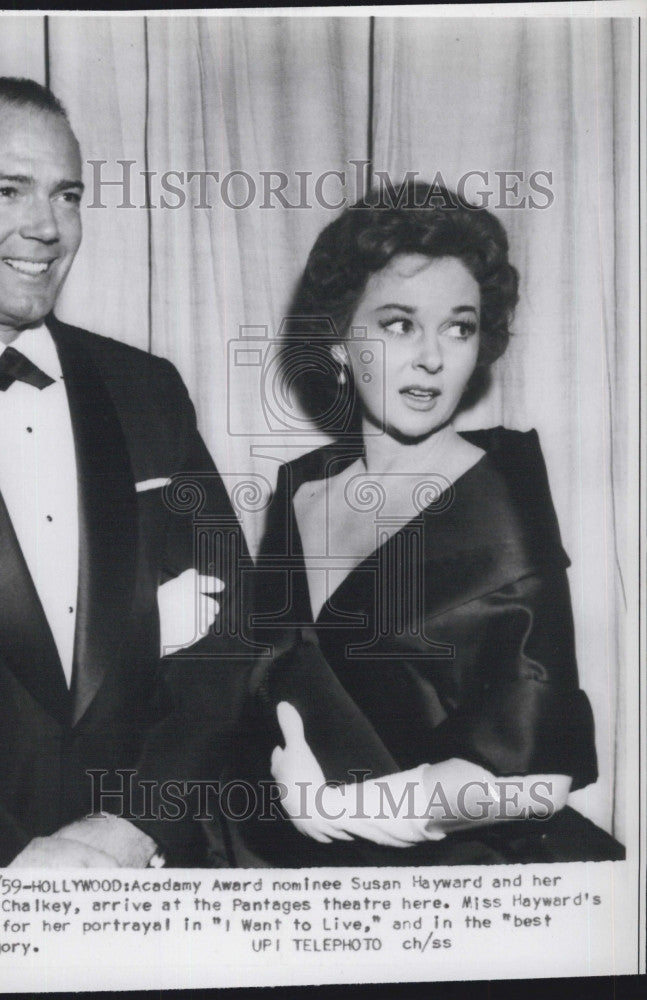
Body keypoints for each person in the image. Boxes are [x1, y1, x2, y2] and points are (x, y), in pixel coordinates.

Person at [0, 77, 251, 868]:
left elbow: (233, 634)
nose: (46, 227)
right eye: (7, 190)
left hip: (143, 870)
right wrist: (10, 859)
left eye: (67, 196)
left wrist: (135, 825)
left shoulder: (145, 388)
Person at [239, 181, 624, 866]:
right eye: (397, 324)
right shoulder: (298, 490)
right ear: (334, 340)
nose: (432, 357)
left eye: (459, 326)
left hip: (467, 882)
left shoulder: (499, 498)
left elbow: (537, 781)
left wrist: (349, 808)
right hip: (309, 875)